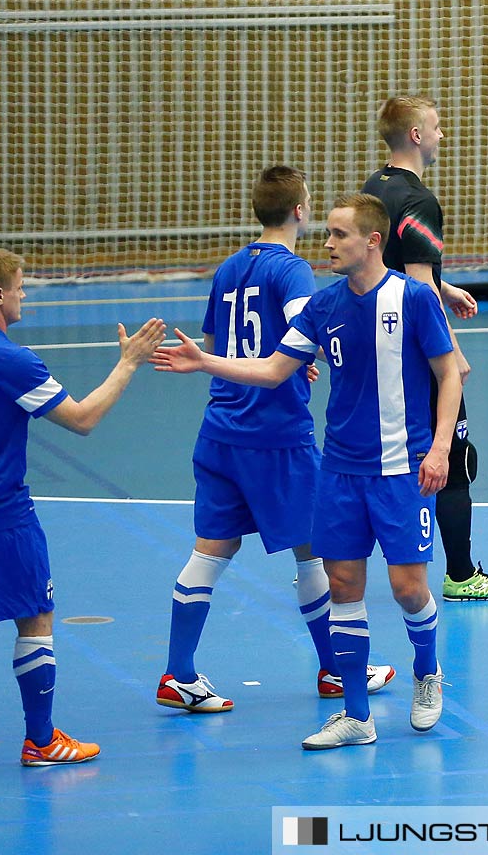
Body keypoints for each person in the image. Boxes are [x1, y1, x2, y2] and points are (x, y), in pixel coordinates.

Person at [154, 194, 461, 750]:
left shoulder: (414, 299)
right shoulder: (323, 306)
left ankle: (428, 672)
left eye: (339, 235)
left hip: (401, 471)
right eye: (326, 233)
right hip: (340, 472)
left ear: (372, 241)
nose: (327, 243)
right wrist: (205, 362)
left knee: (408, 588)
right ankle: (356, 716)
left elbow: (451, 375)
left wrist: (439, 449)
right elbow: (273, 369)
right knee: (343, 584)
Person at [0, 246, 165, 766]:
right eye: (18, 286)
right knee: (35, 616)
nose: (23, 294)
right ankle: (41, 740)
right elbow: (82, 418)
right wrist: (129, 363)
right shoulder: (10, 361)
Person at [365, 96, 488, 601]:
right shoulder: (421, 201)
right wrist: (449, 354)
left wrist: (446, 285)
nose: (442, 135)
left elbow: (391, 265)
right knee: (452, 455)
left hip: (379, 344)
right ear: (415, 135)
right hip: (415, 352)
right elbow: (419, 286)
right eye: (436, 127)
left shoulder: (375, 189)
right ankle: (460, 574)